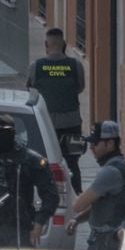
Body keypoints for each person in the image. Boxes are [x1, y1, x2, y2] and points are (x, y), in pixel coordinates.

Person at [0, 112, 58, 250]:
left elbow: (51, 195)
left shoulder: (29, 159)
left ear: (12, 133)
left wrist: (39, 223)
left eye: (0, 132)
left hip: (20, 229)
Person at [66, 120, 125, 250]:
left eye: (95, 143)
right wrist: (77, 219)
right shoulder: (123, 168)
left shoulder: (110, 172)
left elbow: (77, 205)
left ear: (110, 144)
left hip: (106, 243)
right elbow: (103, 204)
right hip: (112, 238)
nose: (91, 147)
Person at [28, 28, 87, 193]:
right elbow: (80, 87)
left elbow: (31, 90)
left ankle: (47, 193)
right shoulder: (76, 65)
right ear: (64, 45)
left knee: (43, 161)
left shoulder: (36, 66)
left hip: (45, 125)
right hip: (72, 123)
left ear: (46, 44)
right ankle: (77, 195)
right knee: (73, 162)